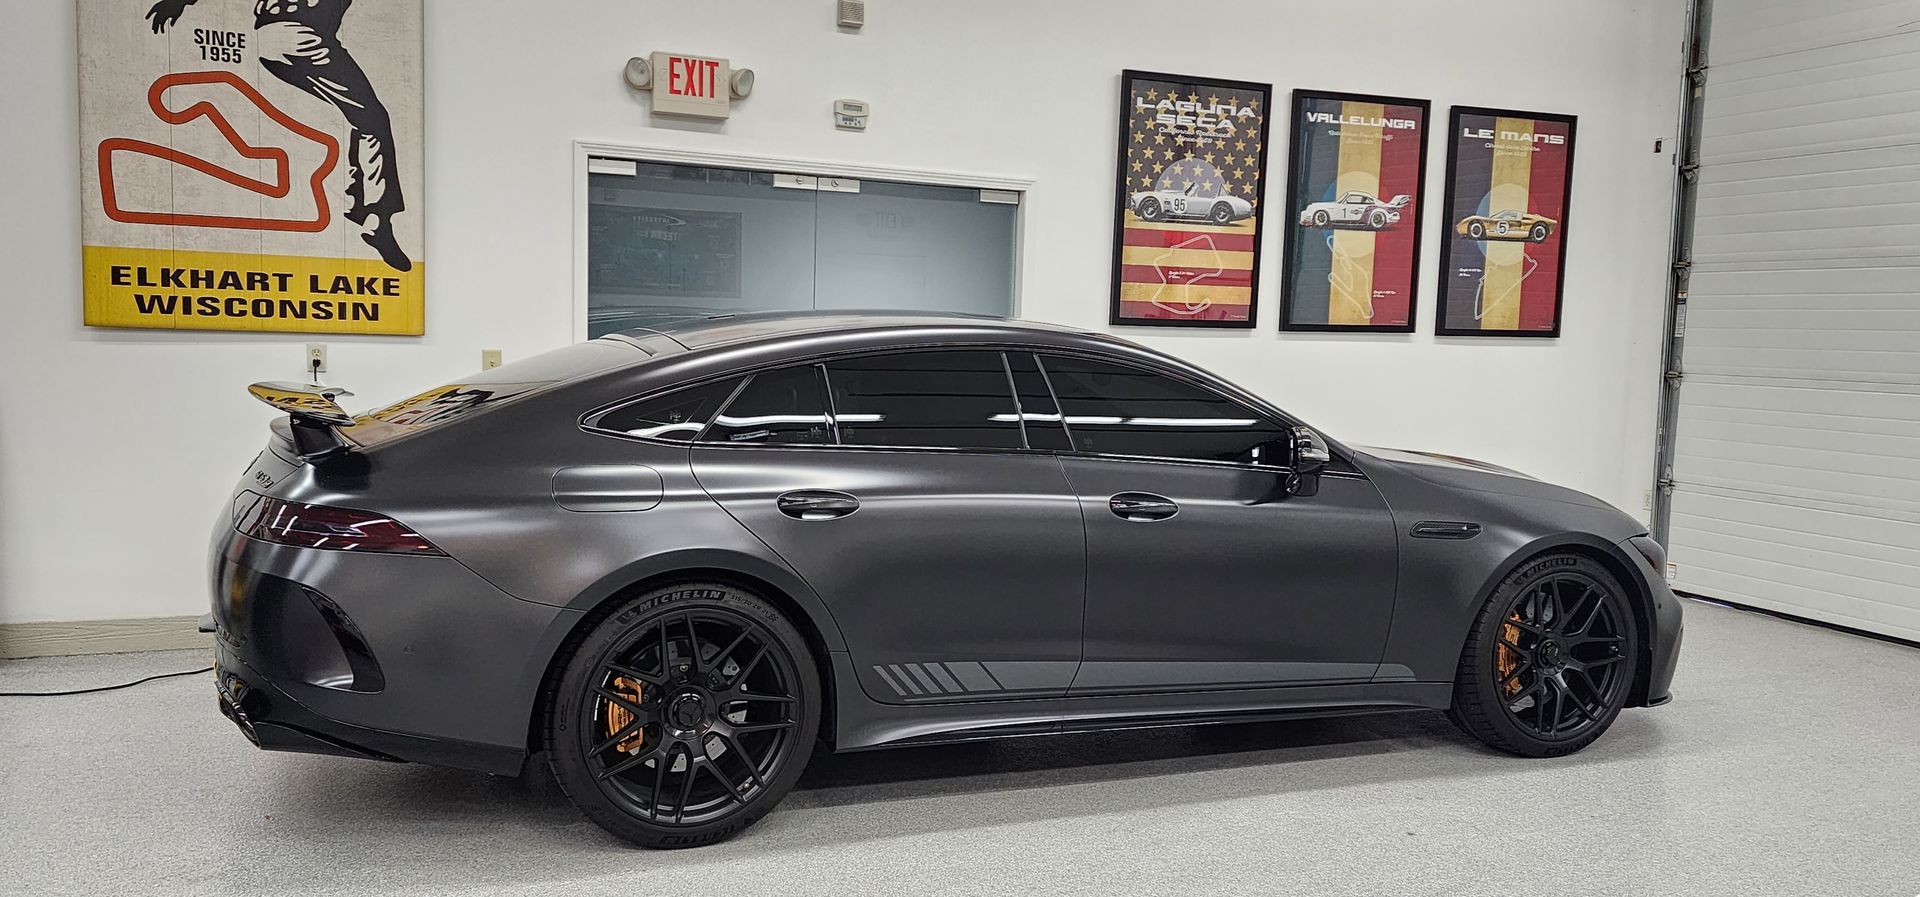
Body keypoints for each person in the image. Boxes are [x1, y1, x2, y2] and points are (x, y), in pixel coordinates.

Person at [145, 0, 412, 272]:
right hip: (301, 36)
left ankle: (363, 203)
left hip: (273, 39)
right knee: (374, 120)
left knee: (363, 119)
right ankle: (377, 216)